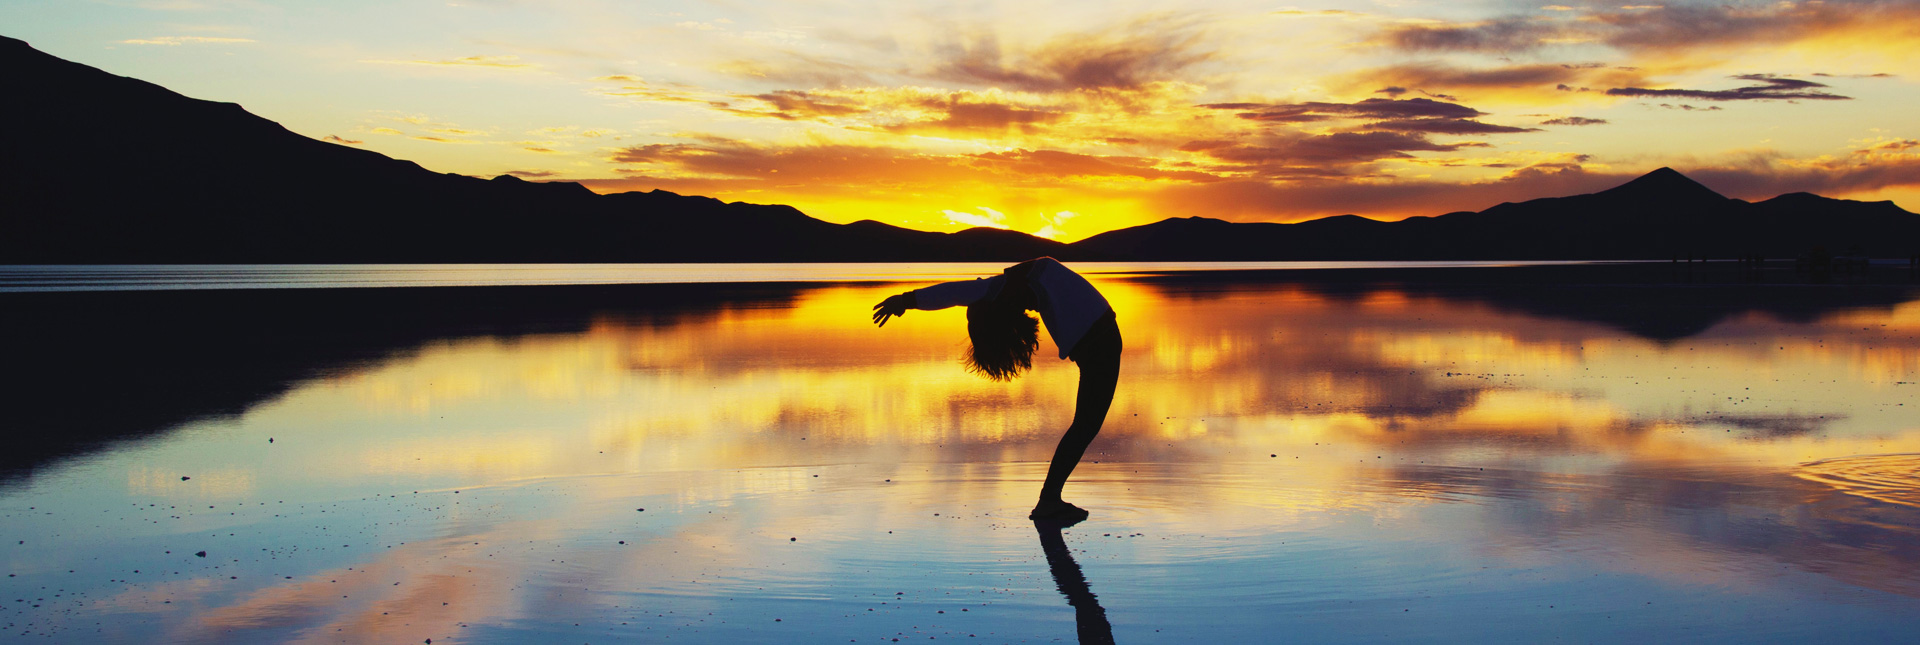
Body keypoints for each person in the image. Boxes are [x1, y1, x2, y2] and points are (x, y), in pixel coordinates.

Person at [871, 257, 1121, 521]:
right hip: (1098, 345)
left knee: (1084, 427)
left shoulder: (1010, 284)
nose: (1024, 308)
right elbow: (956, 293)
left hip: (1098, 343)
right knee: (1084, 427)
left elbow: (956, 293)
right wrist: (906, 301)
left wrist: (907, 300)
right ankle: (1048, 500)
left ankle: (1049, 499)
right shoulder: (1016, 282)